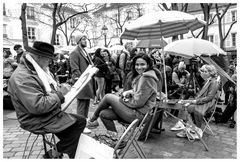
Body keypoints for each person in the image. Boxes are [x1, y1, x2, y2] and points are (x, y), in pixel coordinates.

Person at [7, 41, 86, 158]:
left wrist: (59, 91)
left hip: (44, 114)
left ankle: (64, 152)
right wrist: (59, 94)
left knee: (76, 128)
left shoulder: (34, 68)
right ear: (39, 57)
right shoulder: (23, 77)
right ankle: (54, 154)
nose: (50, 62)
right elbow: (38, 106)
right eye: (48, 59)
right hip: (34, 119)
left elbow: (45, 92)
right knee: (78, 124)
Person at [87, 53, 161, 138]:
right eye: (137, 64)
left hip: (138, 115)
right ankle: (113, 137)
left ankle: (92, 120)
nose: (139, 67)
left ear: (148, 65)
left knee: (108, 97)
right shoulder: (143, 76)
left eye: (142, 64)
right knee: (104, 114)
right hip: (135, 112)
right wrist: (128, 92)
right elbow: (138, 93)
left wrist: (122, 99)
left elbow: (138, 102)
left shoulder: (147, 78)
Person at [171, 64, 219, 138]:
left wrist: (194, 101)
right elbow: (201, 95)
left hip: (207, 105)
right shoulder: (207, 81)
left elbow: (209, 98)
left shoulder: (214, 82)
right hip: (203, 102)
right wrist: (192, 100)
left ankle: (188, 127)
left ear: (210, 73)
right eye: (201, 71)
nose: (201, 72)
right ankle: (186, 126)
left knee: (187, 107)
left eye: (204, 71)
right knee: (184, 103)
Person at [69, 33, 95, 134]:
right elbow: (75, 68)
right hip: (82, 81)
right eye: (83, 39)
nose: (86, 41)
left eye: (86, 39)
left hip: (88, 81)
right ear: (78, 40)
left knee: (86, 102)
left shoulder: (85, 51)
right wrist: (82, 80)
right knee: (81, 104)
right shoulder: (75, 52)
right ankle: (80, 126)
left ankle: (84, 121)